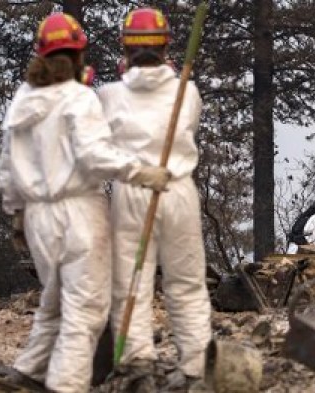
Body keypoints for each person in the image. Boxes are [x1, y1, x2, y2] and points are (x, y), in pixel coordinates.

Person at [0, 13, 170, 392]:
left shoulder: (24, 99)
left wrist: (17, 214)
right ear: (78, 54)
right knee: (85, 311)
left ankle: (27, 372)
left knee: (55, 299)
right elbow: (97, 157)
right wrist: (142, 172)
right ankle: (65, 385)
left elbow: (7, 164)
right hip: (78, 212)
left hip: (36, 215)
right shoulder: (79, 99)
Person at [97, 8, 212, 391]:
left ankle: (138, 364)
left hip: (133, 191)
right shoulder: (187, 92)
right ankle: (196, 366)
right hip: (178, 188)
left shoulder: (109, 96)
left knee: (132, 283)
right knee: (187, 283)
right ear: (166, 46)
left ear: (125, 47)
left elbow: (102, 151)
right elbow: (189, 126)